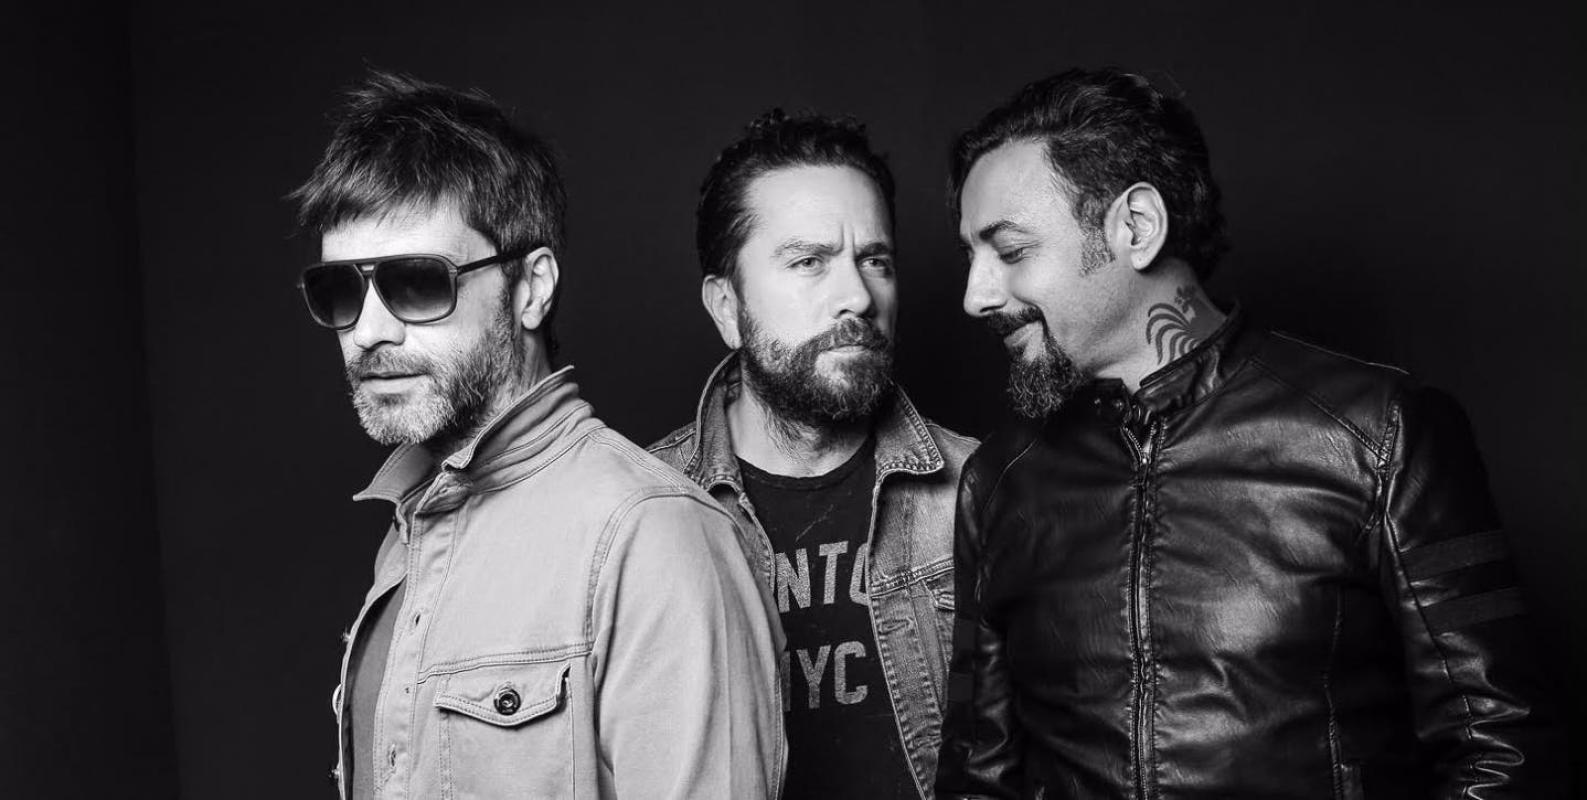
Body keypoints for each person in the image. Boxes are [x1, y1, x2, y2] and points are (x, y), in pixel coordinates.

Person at [936, 68, 1562, 798]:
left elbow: (1504, 750)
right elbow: (978, 777)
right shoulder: (1000, 479)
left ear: (1135, 226)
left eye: (1011, 251)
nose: (975, 296)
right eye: (970, 257)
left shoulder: (1379, 434)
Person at [290, 72, 781, 800]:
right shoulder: (410, 531)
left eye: (416, 284)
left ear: (531, 287)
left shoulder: (654, 538)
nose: (368, 332)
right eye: (341, 291)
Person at [650, 110, 977, 799]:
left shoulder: (981, 489)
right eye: (808, 262)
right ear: (726, 306)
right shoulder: (642, 510)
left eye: (875, 261)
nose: (857, 295)